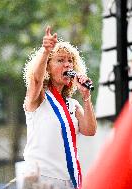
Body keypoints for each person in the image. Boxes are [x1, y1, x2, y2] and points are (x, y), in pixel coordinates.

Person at [22, 26, 97, 189]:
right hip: (42, 178)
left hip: (69, 179)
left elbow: (90, 130)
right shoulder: (39, 97)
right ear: (47, 67)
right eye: (60, 60)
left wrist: (86, 97)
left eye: (70, 61)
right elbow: (36, 79)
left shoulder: (73, 104)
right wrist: (45, 51)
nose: (67, 65)